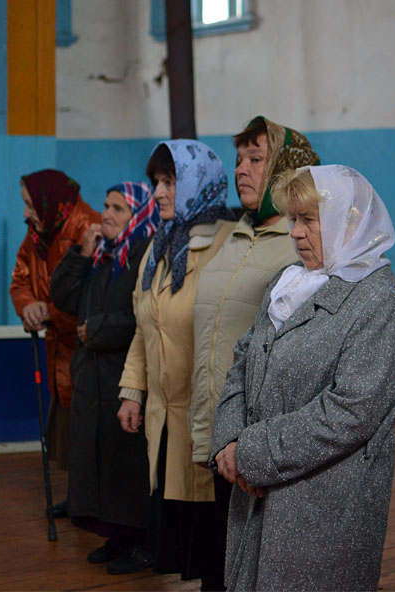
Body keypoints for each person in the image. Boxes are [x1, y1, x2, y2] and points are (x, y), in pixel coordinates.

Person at [210, 165, 395, 591]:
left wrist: (251, 452)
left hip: (322, 502)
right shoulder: (288, 282)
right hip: (255, 488)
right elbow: (244, 358)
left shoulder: (381, 301)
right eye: (293, 219)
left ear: (349, 220)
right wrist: (229, 440)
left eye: (308, 219)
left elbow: (350, 412)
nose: (296, 233)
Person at [190, 116, 319, 581]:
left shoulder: (299, 247)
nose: (241, 169)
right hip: (216, 419)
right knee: (217, 561)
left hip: (259, 436)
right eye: (239, 158)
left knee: (251, 565)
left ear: (287, 168)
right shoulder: (234, 234)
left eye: (257, 159)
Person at [115, 140, 235, 588]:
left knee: (213, 538)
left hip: (206, 417)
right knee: (185, 537)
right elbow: (144, 325)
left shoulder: (226, 242)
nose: (159, 193)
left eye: (170, 182)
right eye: (157, 183)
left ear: (199, 183)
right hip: (164, 419)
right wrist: (133, 390)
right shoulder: (160, 245)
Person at [50, 181, 160, 569]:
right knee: (103, 462)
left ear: (139, 215)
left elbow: (147, 317)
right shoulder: (104, 255)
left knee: (127, 464)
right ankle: (117, 536)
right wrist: (82, 253)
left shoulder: (148, 255)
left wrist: (96, 329)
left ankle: (142, 540)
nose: (106, 215)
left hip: (127, 378)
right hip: (94, 377)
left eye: (118, 208)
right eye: (106, 206)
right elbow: (63, 297)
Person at [9, 168, 100, 516]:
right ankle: (80, 499)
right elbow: (20, 279)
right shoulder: (38, 232)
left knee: (90, 428)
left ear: (49, 201)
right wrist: (27, 306)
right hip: (59, 350)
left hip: (88, 351)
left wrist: (48, 311)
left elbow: (92, 299)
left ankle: (96, 506)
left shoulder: (88, 228)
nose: (25, 213)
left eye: (30, 205)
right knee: (69, 427)